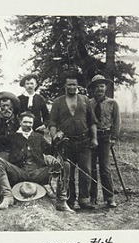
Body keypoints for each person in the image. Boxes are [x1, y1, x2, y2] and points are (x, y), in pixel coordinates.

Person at [0, 112, 73, 212]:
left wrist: (59, 144)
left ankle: (61, 201)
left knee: (65, 165)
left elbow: (51, 150)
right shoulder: (12, 137)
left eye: (30, 122)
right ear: (20, 122)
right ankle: (8, 196)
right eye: (25, 122)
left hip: (38, 173)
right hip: (19, 172)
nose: (28, 125)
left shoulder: (39, 137)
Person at [49, 71, 98, 210]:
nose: (72, 87)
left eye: (74, 84)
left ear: (78, 85)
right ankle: (69, 201)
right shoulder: (58, 102)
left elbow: (92, 121)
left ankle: (84, 200)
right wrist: (54, 137)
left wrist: (94, 138)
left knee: (86, 171)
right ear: (65, 85)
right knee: (67, 173)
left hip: (84, 141)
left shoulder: (85, 100)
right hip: (66, 143)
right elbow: (52, 123)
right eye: (69, 84)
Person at [88, 74, 121, 208]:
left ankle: (109, 197)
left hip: (106, 137)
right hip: (92, 137)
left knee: (105, 168)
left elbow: (117, 121)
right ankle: (92, 197)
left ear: (106, 87)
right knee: (91, 168)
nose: (99, 89)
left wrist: (113, 137)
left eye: (101, 86)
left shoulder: (112, 103)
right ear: (93, 89)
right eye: (96, 87)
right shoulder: (88, 103)